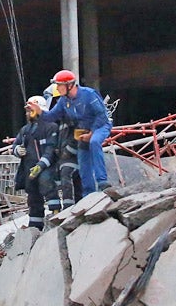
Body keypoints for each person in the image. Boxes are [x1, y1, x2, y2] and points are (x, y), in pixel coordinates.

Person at [40, 69, 112, 194]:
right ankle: (89, 193)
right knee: (83, 160)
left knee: (94, 142)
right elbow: (51, 116)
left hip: (100, 126)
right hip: (83, 130)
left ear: (69, 85)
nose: (57, 88)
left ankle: (102, 181)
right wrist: (39, 111)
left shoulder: (89, 94)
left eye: (59, 85)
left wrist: (92, 132)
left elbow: (101, 115)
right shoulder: (64, 101)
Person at [13, 95, 60, 229]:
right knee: (33, 197)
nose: (28, 113)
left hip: (47, 168)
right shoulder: (25, 130)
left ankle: (57, 214)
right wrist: (17, 149)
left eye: (30, 110)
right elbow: (15, 144)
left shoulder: (50, 127)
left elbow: (51, 149)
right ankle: (35, 227)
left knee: (46, 183)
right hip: (29, 168)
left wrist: (40, 166)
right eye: (27, 111)